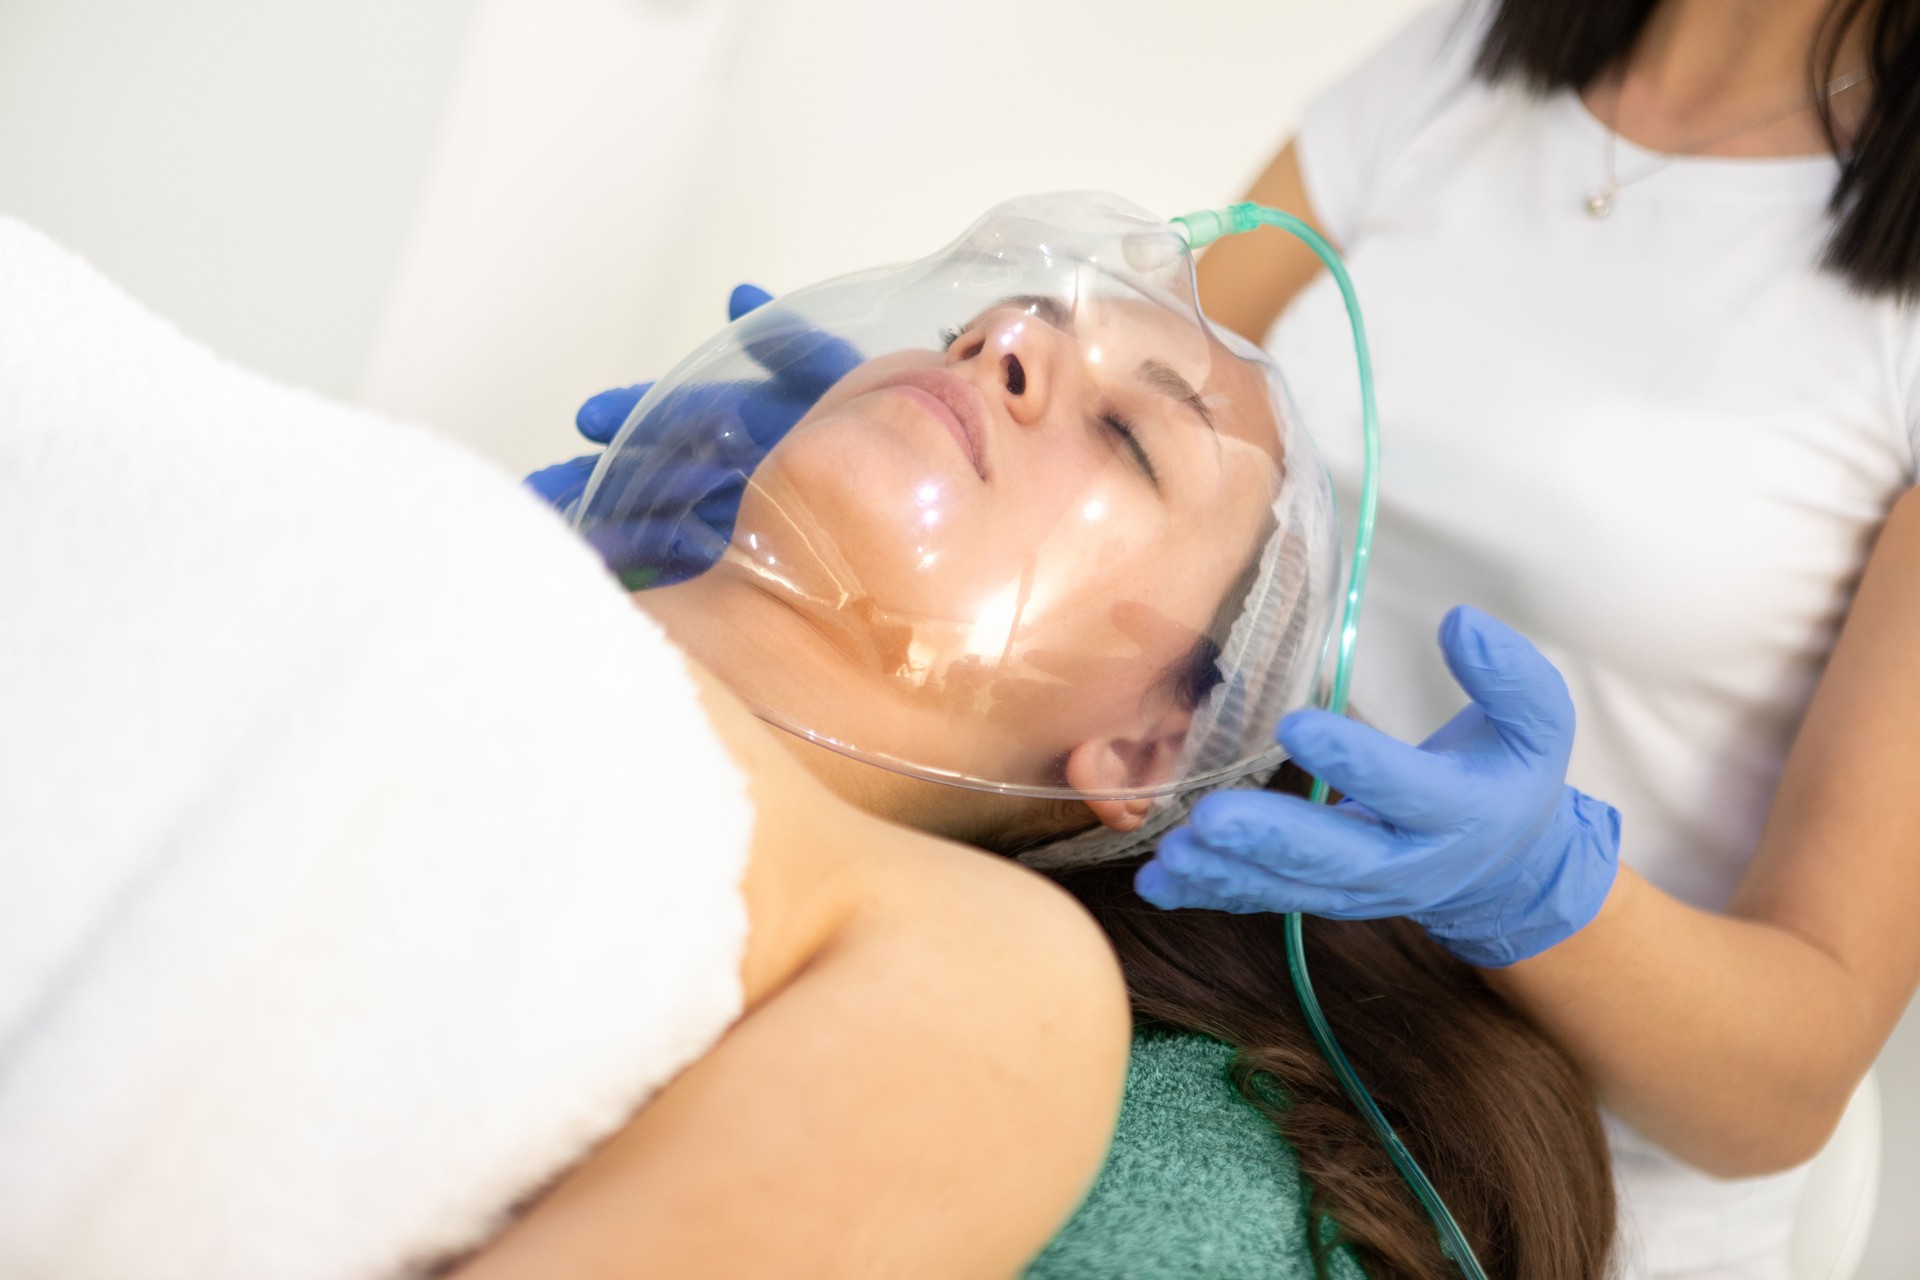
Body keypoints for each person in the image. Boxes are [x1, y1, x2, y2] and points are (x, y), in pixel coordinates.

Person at [530, 193, 1616, 1279]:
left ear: (1146, 745)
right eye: (993, 322)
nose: (996, 343)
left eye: (1129, 436)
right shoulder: (461, 563)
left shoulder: (1005, 990)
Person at [1136, 1, 1920, 1276]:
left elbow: (1787, 1088)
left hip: (1557, 1175)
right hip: (1224, 997)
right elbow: (1142, 392)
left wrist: (1541, 888)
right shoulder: (1462, 61)